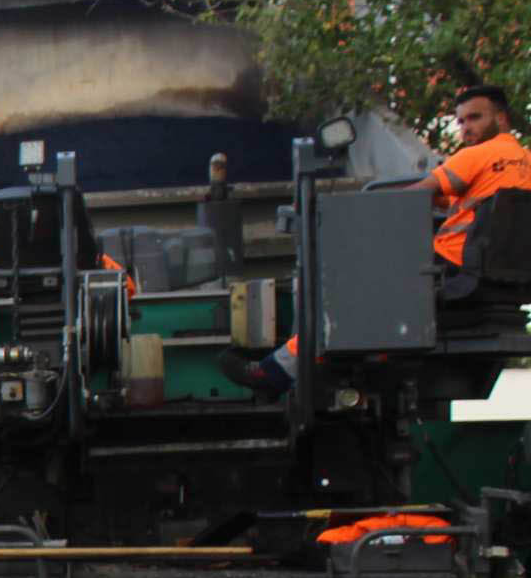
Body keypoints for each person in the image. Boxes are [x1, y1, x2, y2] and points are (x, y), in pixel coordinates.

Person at [224, 84, 531, 395]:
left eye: (475, 118)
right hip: (497, 277)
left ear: (502, 118)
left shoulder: (478, 155)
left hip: (450, 266)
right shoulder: (525, 161)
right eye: (461, 121)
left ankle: (274, 372)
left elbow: (412, 198)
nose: (466, 129)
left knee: (345, 299)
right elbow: (481, 209)